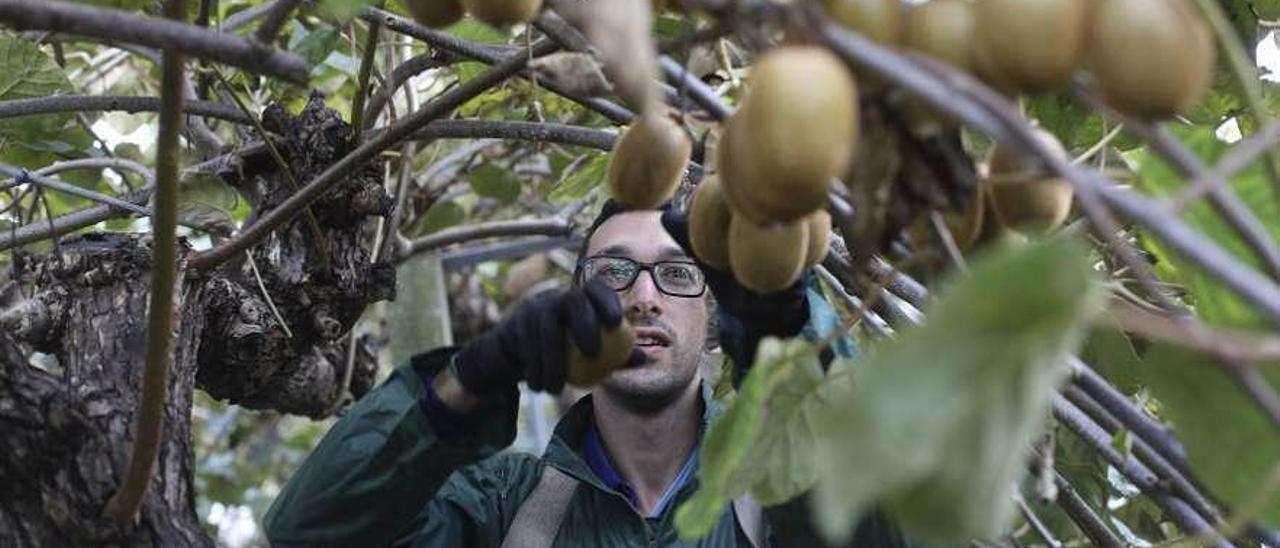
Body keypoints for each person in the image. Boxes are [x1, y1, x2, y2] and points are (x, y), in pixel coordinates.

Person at [263, 200, 912, 547]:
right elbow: (307, 534)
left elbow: (875, 526)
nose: (644, 297)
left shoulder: (774, 498)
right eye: (614, 273)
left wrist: (789, 340)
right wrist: (466, 382)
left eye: (678, 272)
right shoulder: (502, 508)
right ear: (575, 306)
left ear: (709, 312)